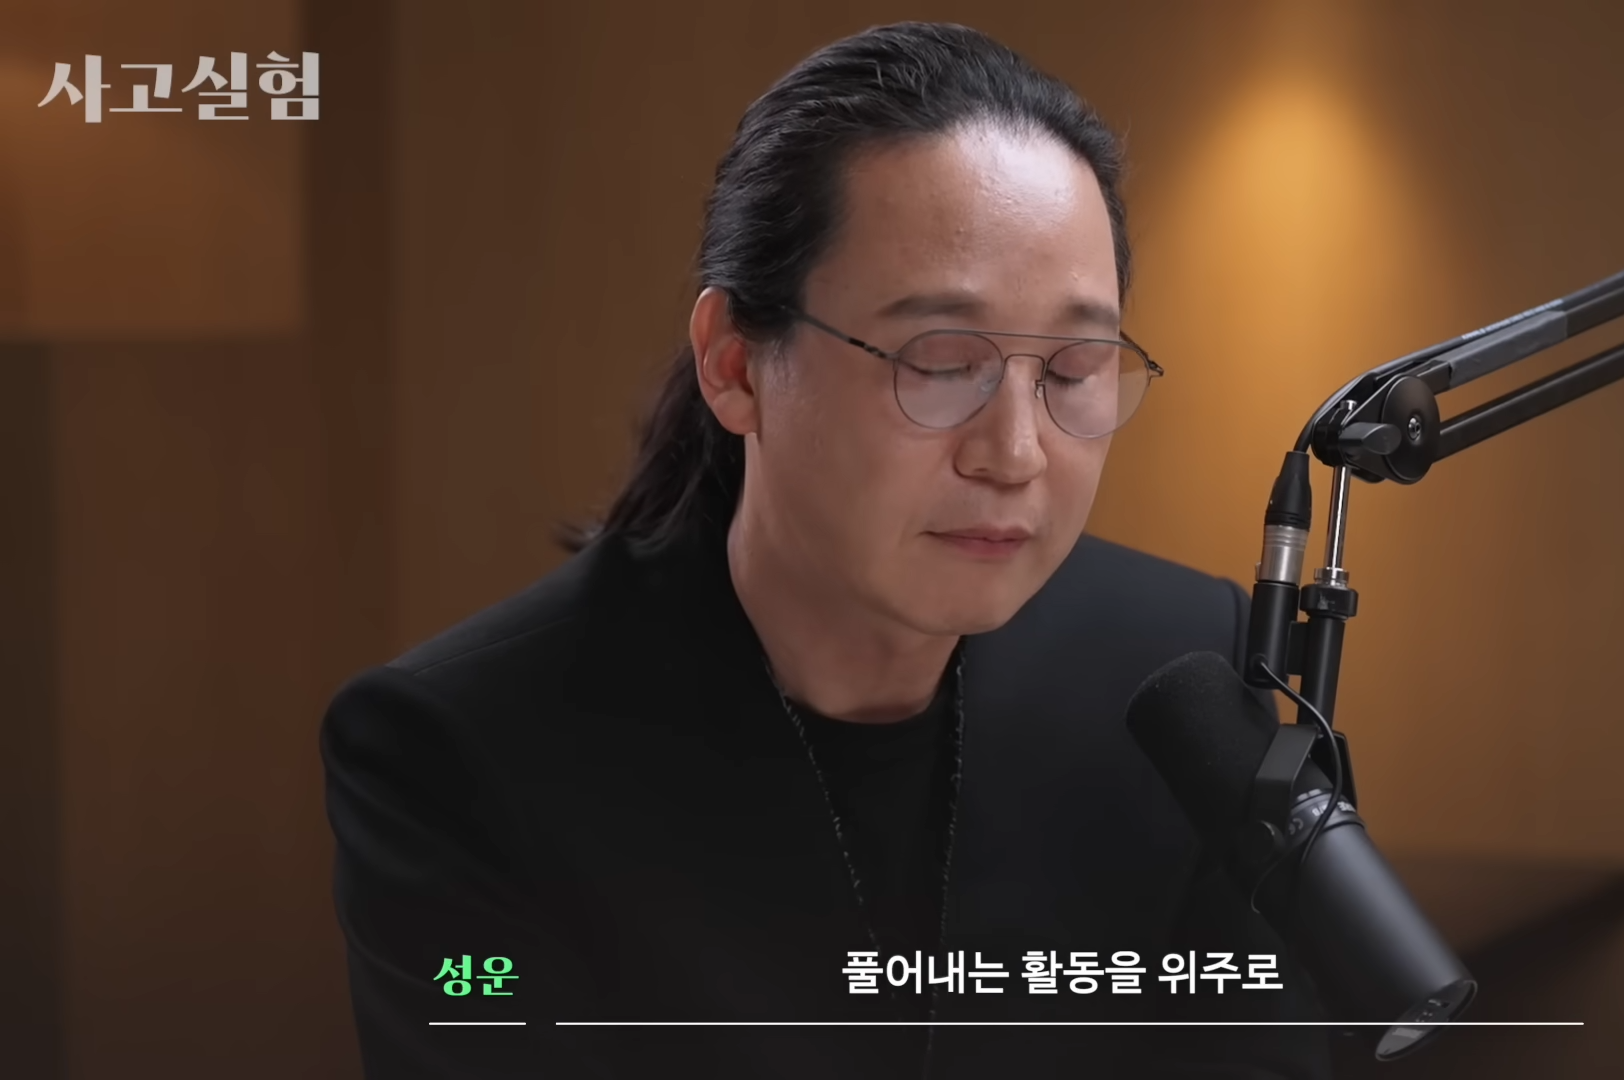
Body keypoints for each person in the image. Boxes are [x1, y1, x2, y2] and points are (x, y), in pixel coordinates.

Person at [322, 21, 1332, 1080]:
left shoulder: (1174, 674)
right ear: (735, 365)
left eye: (1074, 370)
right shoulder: (461, 753)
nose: (1016, 453)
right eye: (940, 361)